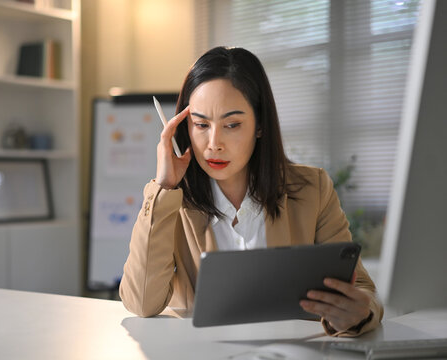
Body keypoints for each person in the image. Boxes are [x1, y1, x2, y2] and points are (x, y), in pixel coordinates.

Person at [119, 46, 383, 337]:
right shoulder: (173, 200)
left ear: (259, 125)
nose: (214, 143)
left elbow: (361, 289)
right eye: (201, 124)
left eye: (232, 124)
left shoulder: (312, 190)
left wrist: (357, 314)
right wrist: (164, 188)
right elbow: (141, 303)